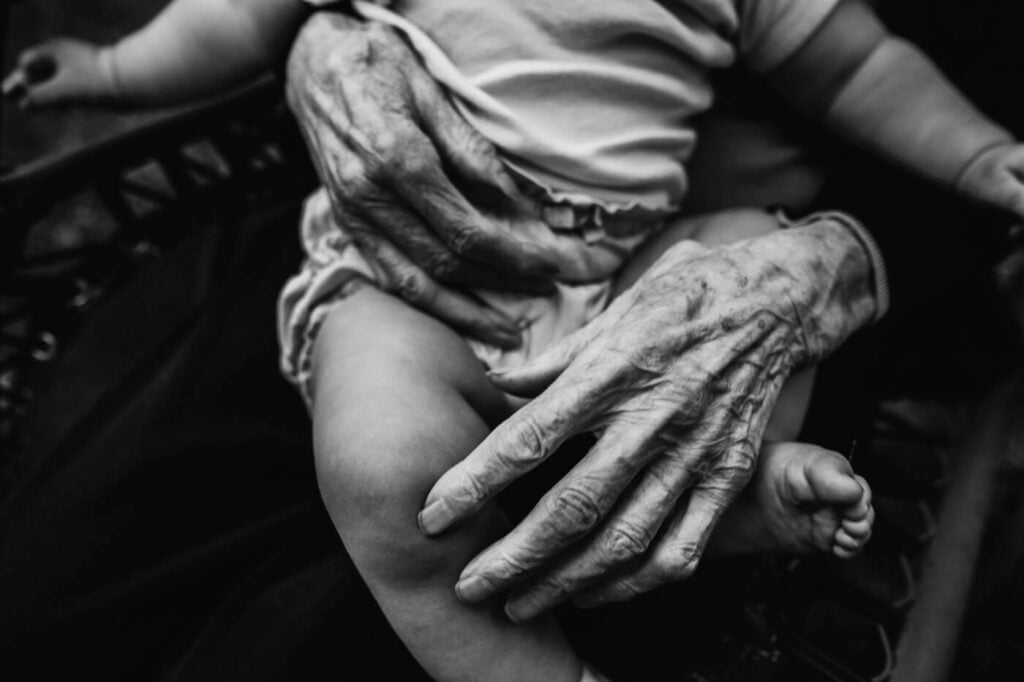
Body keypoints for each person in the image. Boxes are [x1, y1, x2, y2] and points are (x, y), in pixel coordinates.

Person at [5, 0, 1024, 679]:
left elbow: (858, 66)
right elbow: (235, 14)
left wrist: (974, 152)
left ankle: (732, 497)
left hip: (627, 272)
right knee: (386, 469)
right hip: (411, 283)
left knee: (748, 257)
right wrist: (113, 67)